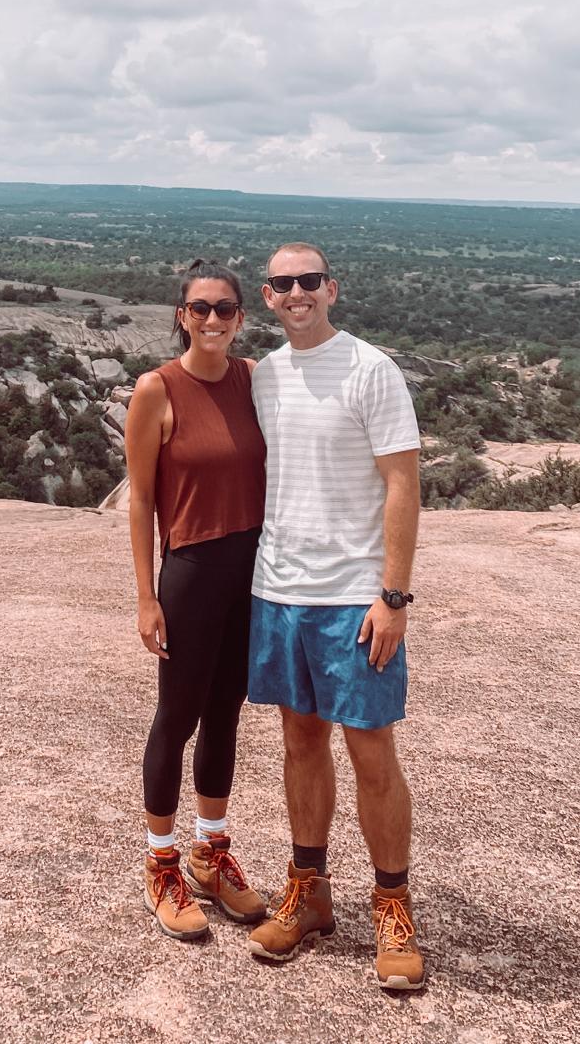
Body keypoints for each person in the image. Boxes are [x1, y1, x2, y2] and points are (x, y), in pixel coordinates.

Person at [244, 241, 426, 992]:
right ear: (267, 295)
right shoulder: (265, 375)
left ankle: (392, 905)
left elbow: (403, 482)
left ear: (331, 288)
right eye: (283, 283)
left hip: (354, 595)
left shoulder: (370, 369)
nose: (298, 293)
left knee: (371, 750)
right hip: (280, 589)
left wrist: (393, 596)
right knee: (300, 742)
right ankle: (309, 892)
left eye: (309, 280)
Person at [124, 260, 269, 941]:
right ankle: (161, 864)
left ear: (241, 317)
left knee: (225, 715)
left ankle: (211, 854)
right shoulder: (157, 389)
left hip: (250, 574)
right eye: (200, 308)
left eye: (225, 309)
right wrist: (145, 596)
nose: (213, 319)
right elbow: (141, 499)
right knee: (176, 718)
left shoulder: (253, 380)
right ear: (182, 315)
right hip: (190, 570)